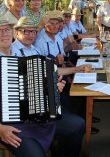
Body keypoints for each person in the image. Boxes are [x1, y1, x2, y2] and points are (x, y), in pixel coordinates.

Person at [11, 16, 87, 157]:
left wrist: (74, 70)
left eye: (33, 32)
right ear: (16, 33)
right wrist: (49, 86)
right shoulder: (10, 53)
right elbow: (17, 87)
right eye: (25, 31)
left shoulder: (33, 49)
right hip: (23, 115)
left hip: (41, 108)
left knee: (79, 124)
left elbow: (50, 71)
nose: (30, 35)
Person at [0, 16, 65, 157]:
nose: (4, 33)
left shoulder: (20, 55)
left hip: (35, 114)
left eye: (6, 29)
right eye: (0, 30)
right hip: (8, 125)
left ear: (12, 32)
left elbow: (35, 87)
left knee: (77, 125)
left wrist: (53, 88)